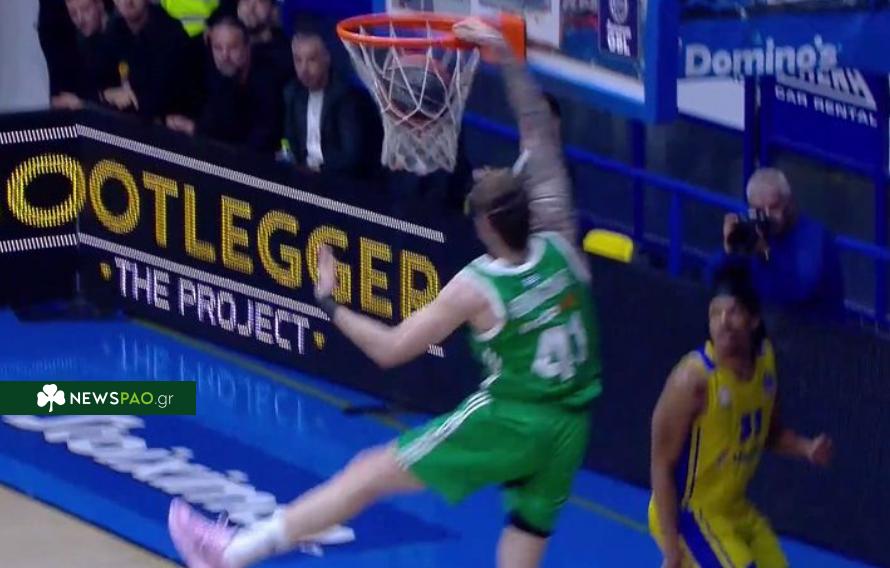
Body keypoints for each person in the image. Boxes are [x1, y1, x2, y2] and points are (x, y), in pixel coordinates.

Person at [167, 17, 603, 568]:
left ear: (487, 227)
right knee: (525, 534)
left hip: (516, 417)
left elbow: (390, 349)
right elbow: (539, 132)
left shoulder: (479, 286)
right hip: (572, 424)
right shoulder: (564, 245)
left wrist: (330, 301)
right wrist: (507, 56)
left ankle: (232, 552)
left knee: (368, 474)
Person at [649, 261, 833, 568]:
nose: (723, 322)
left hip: (732, 508)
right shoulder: (693, 380)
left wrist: (806, 448)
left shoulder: (765, 363)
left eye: (733, 312)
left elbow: (768, 434)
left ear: (754, 319)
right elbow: (661, 464)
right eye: (715, 314)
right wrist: (672, 550)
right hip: (689, 512)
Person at [715, 168, 845, 320]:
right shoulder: (754, 230)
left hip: (812, 327)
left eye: (774, 207)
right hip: (765, 322)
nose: (768, 216)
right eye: (759, 210)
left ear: (789, 203)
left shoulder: (814, 238)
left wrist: (765, 255)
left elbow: (798, 293)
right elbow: (712, 277)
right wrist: (729, 250)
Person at [166, 16, 283, 154]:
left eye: (233, 48)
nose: (224, 56)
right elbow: (215, 124)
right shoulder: (216, 75)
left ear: (247, 48)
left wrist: (195, 129)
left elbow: (259, 142)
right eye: (218, 48)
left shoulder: (267, 81)